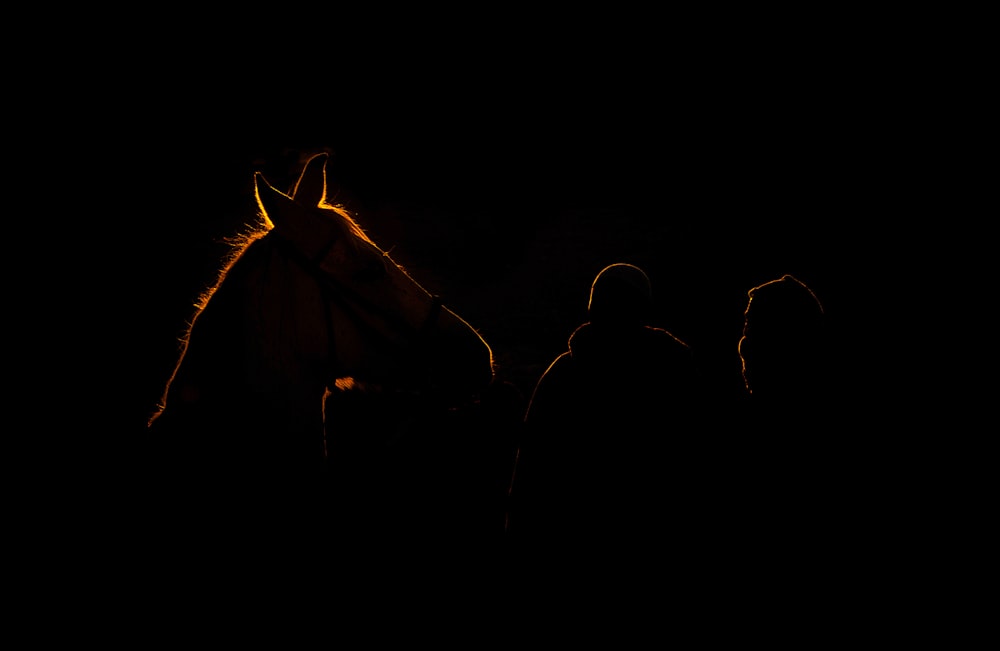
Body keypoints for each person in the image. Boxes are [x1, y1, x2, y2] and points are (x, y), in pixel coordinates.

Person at [505, 263, 707, 571]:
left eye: (614, 299)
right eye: (603, 299)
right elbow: (533, 460)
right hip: (584, 538)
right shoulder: (672, 367)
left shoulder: (671, 369)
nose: (608, 307)